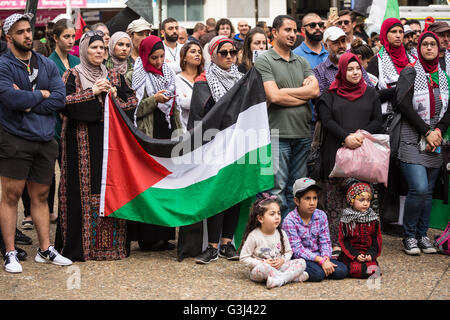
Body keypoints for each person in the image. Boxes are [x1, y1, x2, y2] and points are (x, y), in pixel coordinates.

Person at [55, 30, 138, 261]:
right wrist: (92, 92)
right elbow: (64, 103)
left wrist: (113, 94)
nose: (99, 51)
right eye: (94, 47)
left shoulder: (115, 75)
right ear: (83, 50)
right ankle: (80, 248)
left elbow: (132, 103)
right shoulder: (72, 74)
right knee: (79, 193)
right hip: (80, 144)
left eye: (102, 47)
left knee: (110, 189)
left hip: (111, 145)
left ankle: (112, 247)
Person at [0, 13, 72, 273]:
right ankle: (9, 253)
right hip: (15, 139)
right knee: (11, 196)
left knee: (40, 197)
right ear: (9, 37)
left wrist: (29, 101)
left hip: (44, 139)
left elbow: (59, 100)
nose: (27, 35)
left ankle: (45, 249)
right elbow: (9, 98)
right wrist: (40, 95)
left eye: (29, 30)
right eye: (20, 32)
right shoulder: (4, 66)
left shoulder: (46, 64)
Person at [316, 52, 382, 259]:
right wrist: (345, 137)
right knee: (335, 199)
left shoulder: (371, 94)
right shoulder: (329, 94)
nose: (354, 72)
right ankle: (336, 242)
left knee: (361, 198)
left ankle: (360, 242)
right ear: (342, 71)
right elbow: (326, 120)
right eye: (350, 69)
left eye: (357, 69)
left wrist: (359, 136)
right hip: (336, 152)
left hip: (363, 153)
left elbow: (377, 121)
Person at [254, 15, 319, 219]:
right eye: (287, 30)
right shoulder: (264, 59)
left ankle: (293, 238)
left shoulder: (301, 61)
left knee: (297, 191)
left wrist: (286, 94)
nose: (292, 35)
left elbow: (315, 91)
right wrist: (302, 94)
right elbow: (272, 95)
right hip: (276, 134)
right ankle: (276, 238)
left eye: (294, 30)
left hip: (302, 132)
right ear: (274, 33)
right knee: (277, 191)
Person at [187, 35, 243, 264]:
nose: (229, 56)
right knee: (217, 194)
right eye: (224, 53)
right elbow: (201, 117)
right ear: (213, 55)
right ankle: (212, 247)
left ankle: (227, 244)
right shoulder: (203, 81)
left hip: (239, 144)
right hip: (214, 145)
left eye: (233, 52)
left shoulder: (242, 79)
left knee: (234, 194)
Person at [393, 31, 450, 255]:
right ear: (418, 48)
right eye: (424, 44)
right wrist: (426, 131)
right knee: (419, 187)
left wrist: (438, 131)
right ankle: (409, 235)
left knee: (427, 193)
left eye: (432, 45)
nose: (428, 48)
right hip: (412, 137)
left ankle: (422, 235)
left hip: (436, 140)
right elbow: (402, 104)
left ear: (438, 49)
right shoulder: (410, 72)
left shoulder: (444, 75)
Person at [129, 35, 182, 251]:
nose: (159, 62)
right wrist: (154, 100)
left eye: (161, 56)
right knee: (149, 185)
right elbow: (133, 109)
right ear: (144, 56)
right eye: (154, 58)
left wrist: (179, 132)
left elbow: (175, 107)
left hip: (167, 132)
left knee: (166, 184)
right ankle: (147, 237)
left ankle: (164, 234)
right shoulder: (135, 75)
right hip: (147, 135)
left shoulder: (169, 74)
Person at [282, 178, 348, 282]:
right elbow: (297, 250)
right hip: (302, 259)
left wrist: (325, 258)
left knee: (342, 270)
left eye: (315, 198)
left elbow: (325, 241)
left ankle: (321, 269)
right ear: (296, 201)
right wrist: (320, 260)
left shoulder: (321, 215)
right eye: (307, 198)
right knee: (318, 274)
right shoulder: (289, 220)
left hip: (320, 256)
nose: (312, 203)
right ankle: (297, 273)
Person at [239, 194, 308, 289]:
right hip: (261, 270)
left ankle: (279, 280)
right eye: (272, 214)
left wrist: (282, 260)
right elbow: (243, 258)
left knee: (301, 262)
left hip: (279, 267)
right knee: (264, 268)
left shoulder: (281, 233)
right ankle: (290, 277)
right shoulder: (254, 235)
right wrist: (262, 263)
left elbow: (288, 252)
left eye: (278, 213)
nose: (277, 217)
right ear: (260, 218)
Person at [339, 179, 382, 278]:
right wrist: (355, 255)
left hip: (367, 254)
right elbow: (343, 240)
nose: (366, 203)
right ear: (352, 201)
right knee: (355, 270)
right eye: (361, 200)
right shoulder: (346, 219)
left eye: (368, 200)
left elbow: (377, 239)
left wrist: (371, 254)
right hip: (352, 254)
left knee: (373, 271)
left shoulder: (373, 219)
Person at [313, 27, 373, 96]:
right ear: (326, 46)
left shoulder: (355, 64)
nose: (341, 46)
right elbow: (322, 98)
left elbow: (371, 90)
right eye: (335, 42)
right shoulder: (319, 71)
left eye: (343, 41)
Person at [176, 41, 204, 130]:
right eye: (193, 51)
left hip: (205, 126)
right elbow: (183, 103)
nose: (197, 54)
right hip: (186, 127)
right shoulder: (177, 79)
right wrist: (202, 101)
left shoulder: (205, 77)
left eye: (199, 52)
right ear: (184, 57)